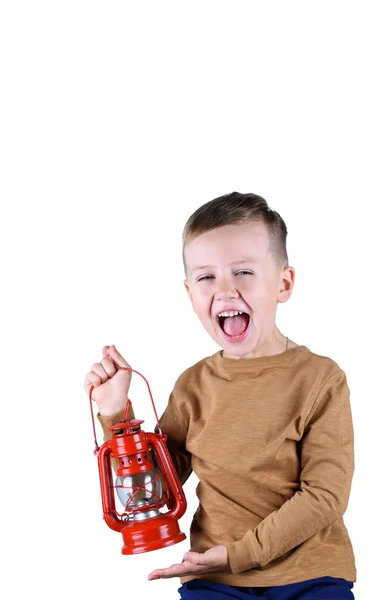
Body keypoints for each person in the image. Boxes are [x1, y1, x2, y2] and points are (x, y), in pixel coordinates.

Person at [84, 192, 356, 599]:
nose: (224, 290)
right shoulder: (193, 386)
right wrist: (115, 413)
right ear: (191, 293)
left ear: (283, 284)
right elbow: (156, 487)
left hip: (311, 576)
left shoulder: (321, 378)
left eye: (243, 272)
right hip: (215, 581)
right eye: (207, 277)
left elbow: (325, 496)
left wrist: (239, 555)